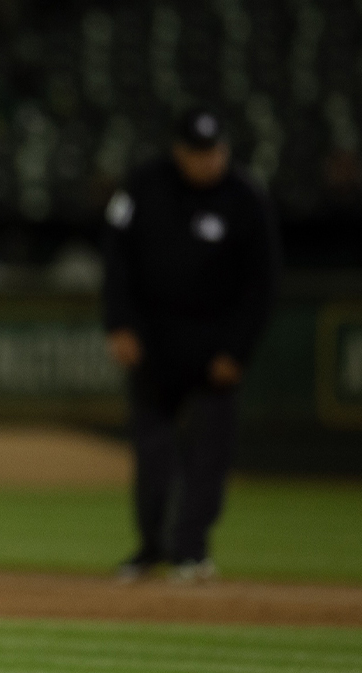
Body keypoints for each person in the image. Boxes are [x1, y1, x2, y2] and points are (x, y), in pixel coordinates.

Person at [102, 108, 281, 582]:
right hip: (153, 345)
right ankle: (150, 548)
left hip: (214, 348)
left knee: (208, 457)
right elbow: (116, 261)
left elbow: (262, 285)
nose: (207, 161)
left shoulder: (245, 198)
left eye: (214, 151)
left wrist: (237, 351)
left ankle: (191, 550)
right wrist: (119, 325)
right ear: (179, 151)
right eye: (197, 152)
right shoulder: (144, 186)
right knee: (153, 452)